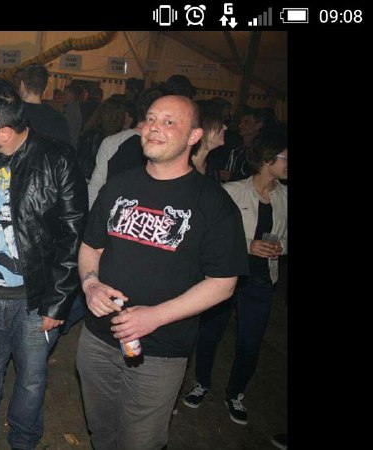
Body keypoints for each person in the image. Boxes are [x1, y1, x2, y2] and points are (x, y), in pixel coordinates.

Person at [76, 95, 248, 450]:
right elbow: (91, 246)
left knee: (140, 442)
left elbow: (222, 284)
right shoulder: (120, 185)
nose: (155, 126)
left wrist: (154, 317)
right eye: (151, 118)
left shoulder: (213, 203)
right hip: (96, 339)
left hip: (160, 351)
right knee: (101, 431)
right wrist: (90, 284)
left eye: (170, 122)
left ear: (194, 136)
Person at [0, 78, 88, 450]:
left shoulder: (57, 158)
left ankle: (24, 438)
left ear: (3, 132)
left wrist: (57, 302)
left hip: (35, 299)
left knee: (32, 377)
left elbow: (72, 236)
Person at [183, 128, 288, 425]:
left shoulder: (285, 197)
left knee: (250, 342)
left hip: (263, 280)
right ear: (267, 160)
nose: (287, 163)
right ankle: (201, 383)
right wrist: (248, 245)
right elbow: (211, 237)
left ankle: (236, 393)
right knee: (210, 335)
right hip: (227, 277)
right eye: (284, 157)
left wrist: (280, 245)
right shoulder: (232, 192)